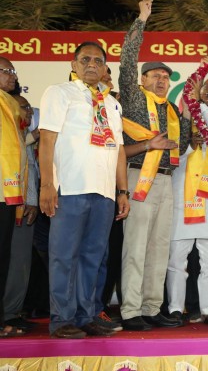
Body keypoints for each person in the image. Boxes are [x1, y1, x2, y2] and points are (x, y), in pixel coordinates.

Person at [39, 42, 130, 338]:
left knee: (95, 256)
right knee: (64, 255)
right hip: (70, 188)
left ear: (105, 67)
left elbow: (118, 150)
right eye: (85, 59)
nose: (92, 64)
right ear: (73, 64)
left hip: (104, 192)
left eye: (98, 60)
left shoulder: (112, 103)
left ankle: (87, 314)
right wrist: (48, 184)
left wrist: (122, 191)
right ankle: (62, 318)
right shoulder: (59, 93)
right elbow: (47, 141)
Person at [119, 0, 191, 331]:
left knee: (160, 246)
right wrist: (142, 20)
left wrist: (188, 118)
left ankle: (151, 307)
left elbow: (182, 145)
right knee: (136, 247)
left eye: (166, 76)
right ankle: (131, 310)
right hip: (137, 178)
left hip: (165, 181)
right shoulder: (134, 98)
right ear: (143, 79)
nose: (161, 80)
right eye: (155, 75)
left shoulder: (172, 111)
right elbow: (126, 60)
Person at [166, 82, 208, 327]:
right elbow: (171, 155)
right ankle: (174, 309)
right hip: (182, 198)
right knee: (177, 261)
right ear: (198, 95)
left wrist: (199, 105)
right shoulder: (180, 121)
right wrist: (188, 145)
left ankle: (207, 309)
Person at [3, 94, 38, 333]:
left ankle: (11, 312)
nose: (26, 112)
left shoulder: (26, 141)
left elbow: (31, 174)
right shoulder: (11, 140)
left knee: (20, 262)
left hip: (25, 206)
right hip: (8, 201)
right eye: (21, 107)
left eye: (27, 108)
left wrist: (33, 201)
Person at [0, 57, 27, 338]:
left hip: (7, 192)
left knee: (3, 259)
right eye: (6, 71)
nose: (12, 76)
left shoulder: (9, 103)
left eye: (12, 71)